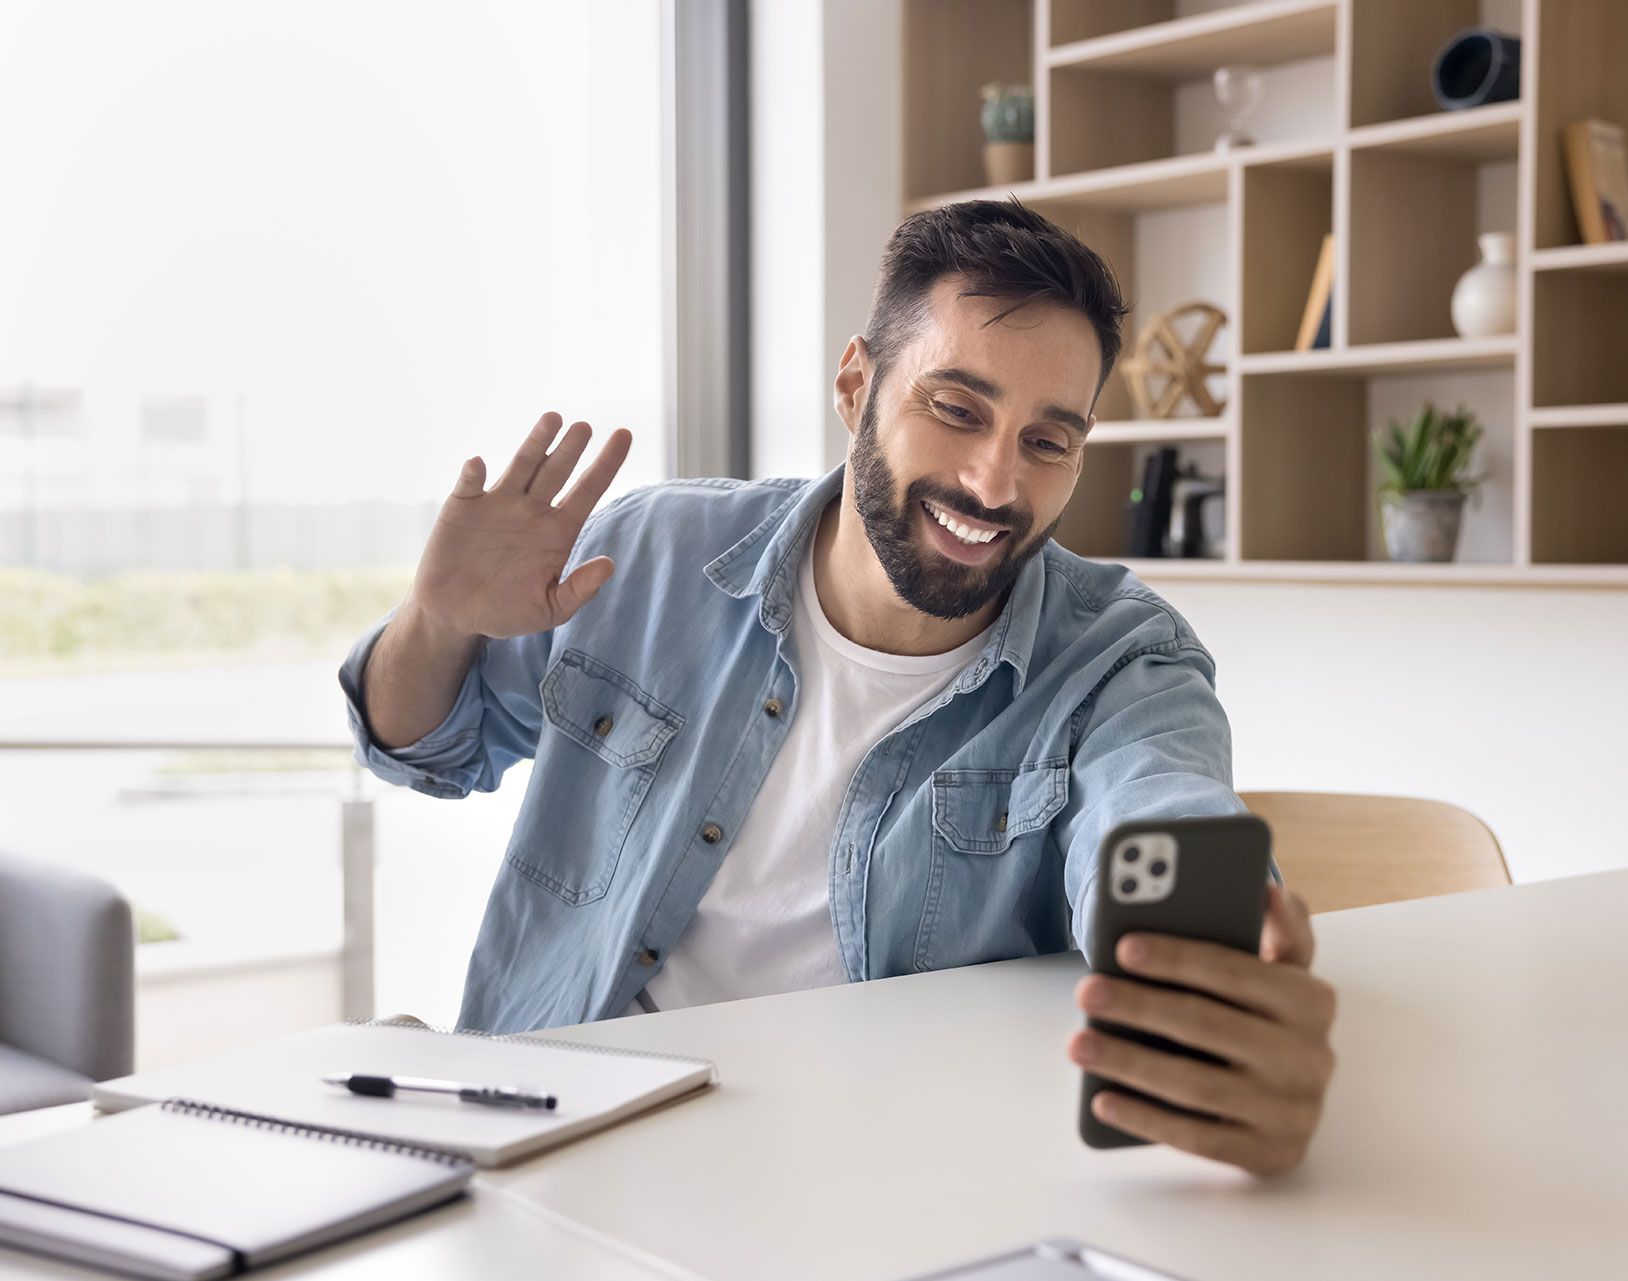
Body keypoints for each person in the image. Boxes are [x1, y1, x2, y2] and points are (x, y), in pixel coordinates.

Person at [339, 199, 1335, 1175]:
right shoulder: (643, 556)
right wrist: (439, 623)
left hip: (863, 1176)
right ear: (856, 386)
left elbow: (1158, 810)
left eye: (1047, 442)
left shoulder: (1122, 658)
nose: (994, 485)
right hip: (549, 1135)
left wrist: (1216, 966)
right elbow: (422, 746)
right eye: (956, 408)